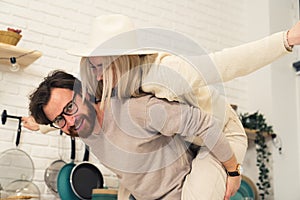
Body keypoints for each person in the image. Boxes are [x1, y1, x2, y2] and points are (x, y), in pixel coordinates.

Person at [28, 70, 240, 200]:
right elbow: (55, 121)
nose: (70, 121)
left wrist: (233, 171)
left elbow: (204, 123)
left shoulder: (137, 111)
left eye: (70, 107)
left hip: (184, 192)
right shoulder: (82, 128)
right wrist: (37, 124)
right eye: (59, 120)